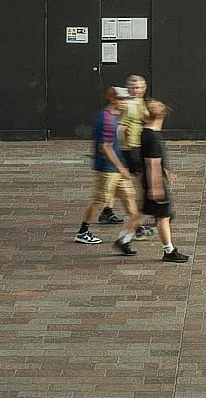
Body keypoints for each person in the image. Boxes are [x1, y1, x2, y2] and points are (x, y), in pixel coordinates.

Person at [116, 100, 188, 261]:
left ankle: (124, 239)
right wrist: (156, 187)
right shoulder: (153, 138)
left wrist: (163, 171)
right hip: (154, 183)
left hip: (147, 181)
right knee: (163, 217)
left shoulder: (144, 133)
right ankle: (169, 251)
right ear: (161, 116)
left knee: (143, 211)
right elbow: (152, 163)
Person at [75, 86, 135, 244]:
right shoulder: (106, 119)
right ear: (113, 99)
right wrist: (121, 167)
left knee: (128, 196)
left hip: (117, 168)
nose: (125, 102)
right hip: (107, 169)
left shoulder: (115, 117)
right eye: (122, 99)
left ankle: (135, 228)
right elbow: (105, 147)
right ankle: (83, 231)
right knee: (98, 199)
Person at [109, 72, 150, 224]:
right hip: (130, 148)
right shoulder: (128, 104)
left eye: (140, 87)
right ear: (128, 88)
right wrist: (119, 147)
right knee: (141, 179)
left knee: (118, 180)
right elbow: (121, 127)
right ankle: (143, 211)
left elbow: (145, 116)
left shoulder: (139, 101)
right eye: (133, 87)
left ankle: (107, 209)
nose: (137, 90)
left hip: (137, 145)